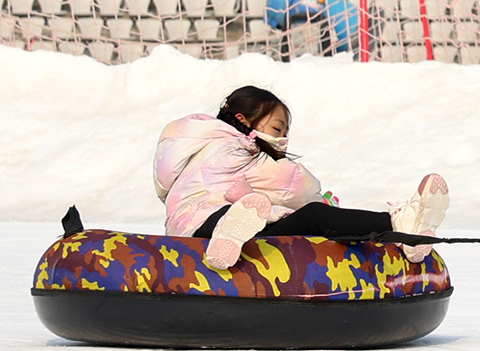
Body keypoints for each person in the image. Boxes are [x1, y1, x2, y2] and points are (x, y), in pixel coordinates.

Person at [154, 85, 451, 271]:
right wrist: (320, 199)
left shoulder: (193, 144)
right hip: (212, 219)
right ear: (244, 121)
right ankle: (400, 225)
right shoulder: (241, 147)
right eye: (277, 128)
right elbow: (294, 185)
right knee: (316, 214)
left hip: (185, 230)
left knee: (252, 209)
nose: (281, 138)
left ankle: (229, 237)